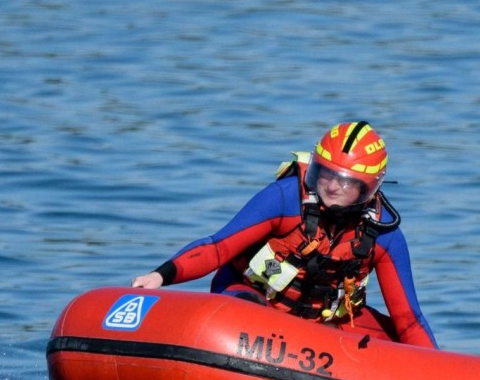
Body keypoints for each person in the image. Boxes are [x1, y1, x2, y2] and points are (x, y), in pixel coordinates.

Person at [131, 121, 436, 348]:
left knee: (397, 341)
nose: (331, 187)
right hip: (251, 299)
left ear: (368, 189)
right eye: (326, 174)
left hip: (324, 325)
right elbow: (217, 248)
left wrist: (439, 376)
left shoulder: (383, 234)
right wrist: (160, 276)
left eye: (344, 182)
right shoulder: (285, 198)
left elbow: (409, 319)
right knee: (246, 314)